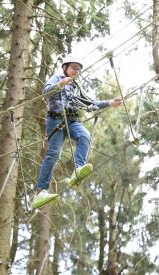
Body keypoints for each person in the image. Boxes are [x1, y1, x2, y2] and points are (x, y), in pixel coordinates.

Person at [32, 58, 122, 209]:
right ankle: (41, 191)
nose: (76, 71)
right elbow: (45, 92)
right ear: (65, 68)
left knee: (84, 136)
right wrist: (61, 84)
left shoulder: (76, 87)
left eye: (79, 70)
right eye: (74, 68)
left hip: (73, 120)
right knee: (54, 154)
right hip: (56, 119)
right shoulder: (58, 78)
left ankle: (78, 169)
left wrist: (110, 103)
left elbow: (90, 102)